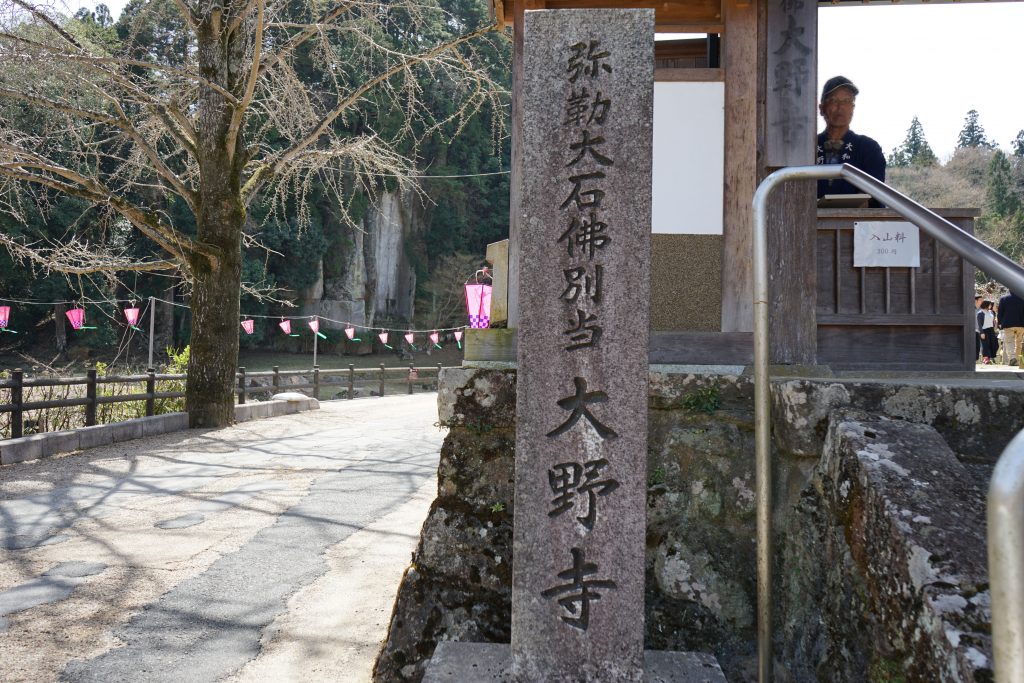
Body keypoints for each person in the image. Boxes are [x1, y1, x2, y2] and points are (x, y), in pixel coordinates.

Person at [816, 76, 886, 200]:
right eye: (833, 100)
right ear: (821, 108)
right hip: (808, 219)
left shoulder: (869, 148)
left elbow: (874, 198)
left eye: (847, 101)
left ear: (853, 108)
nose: (840, 107)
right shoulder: (807, 149)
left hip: (853, 219)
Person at [998, 290, 1024, 366]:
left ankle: (1012, 358)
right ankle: (1018, 359)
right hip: (1021, 323)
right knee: (1018, 342)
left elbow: (1000, 312)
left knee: (1009, 342)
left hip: (1008, 324)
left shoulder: (1003, 298)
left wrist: (999, 322)